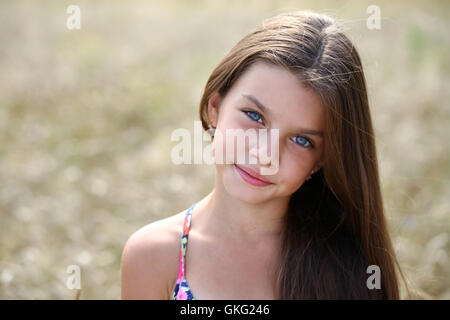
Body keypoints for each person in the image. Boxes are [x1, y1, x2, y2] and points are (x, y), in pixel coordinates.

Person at [121, 10, 407, 299]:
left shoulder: (349, 266)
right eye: (254, 116)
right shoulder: (154, 256)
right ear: (215, 107)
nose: (265, 155)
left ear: (322, 160)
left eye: (300, 139)